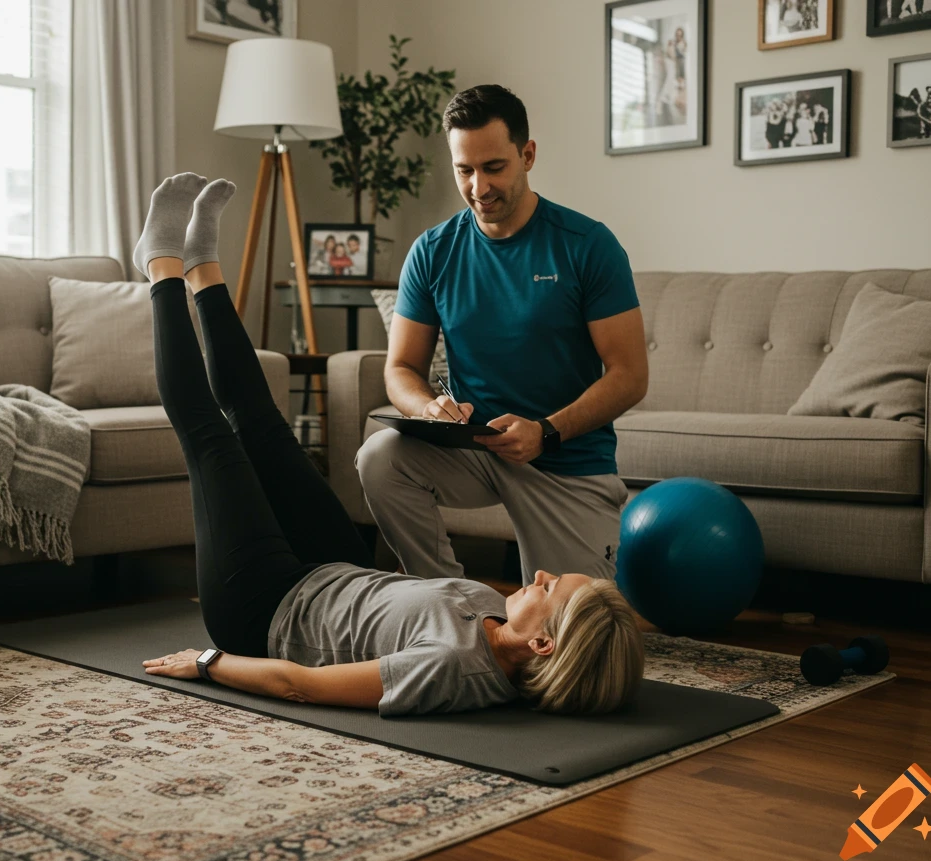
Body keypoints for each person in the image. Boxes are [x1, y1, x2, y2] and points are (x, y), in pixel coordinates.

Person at [125, 172, 645, 717]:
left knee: (212, 437)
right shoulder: (498, 614)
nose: (537, 574)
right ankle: (203, 267)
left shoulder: (450, 667)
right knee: (265, 424)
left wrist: (208, 662)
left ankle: (160, 266)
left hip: (266, 609)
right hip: (339, 571)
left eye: (550, 587)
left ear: (543, 644)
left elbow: (302, 684)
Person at [356, 85, 649, 587]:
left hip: (565, 460)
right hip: (474, 450)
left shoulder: (588, 246)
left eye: (494, 168)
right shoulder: (432, 251)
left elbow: (630, 376)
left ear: (527, 155)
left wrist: (547, 431)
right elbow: (401, 368)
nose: (478, 187)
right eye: (463, 170)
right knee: (379, 459)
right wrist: (427, 408)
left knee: (567, 641)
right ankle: (450, 604)